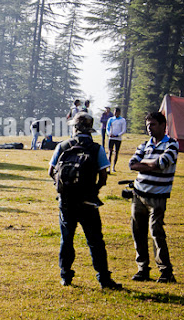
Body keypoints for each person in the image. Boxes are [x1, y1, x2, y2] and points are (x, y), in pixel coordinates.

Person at [48, 112, 122, 289]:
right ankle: (104, 279)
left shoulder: (63, 146)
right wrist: (94, 190)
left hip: (66, 202)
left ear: (74, 127)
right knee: (95, 241)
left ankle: (65, 276)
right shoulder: (96, 149)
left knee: (67, 239)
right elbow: (103, 176)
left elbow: (51, 171)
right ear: (90, 129)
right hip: (88, 202)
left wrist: (62, 187)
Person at [128, 111, 178, 283]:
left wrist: (147, 164)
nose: (149, 128)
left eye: (153, 124)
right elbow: (132, 164)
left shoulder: (172, 144)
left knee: (156, 232)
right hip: (138, 195)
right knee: (138, 233)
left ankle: (165, 272)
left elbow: (162, 163)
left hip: (157, 197)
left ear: (163, 125)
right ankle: (143, 269)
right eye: (147, 125)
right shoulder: (144, 144)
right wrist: (152, 165)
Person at [106, 108, 126, 172]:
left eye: (116, 113)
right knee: (110, 152)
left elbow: (123, 130)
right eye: (114, 112)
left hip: (118, 138)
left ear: (119, 113)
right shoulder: (111, 119)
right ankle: (109, 167)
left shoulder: (122, 120)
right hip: (111, 138)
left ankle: (113, 167)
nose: (115, 114)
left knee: (116, 152)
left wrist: (118, 135)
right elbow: (107, 128)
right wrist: (109, 134)